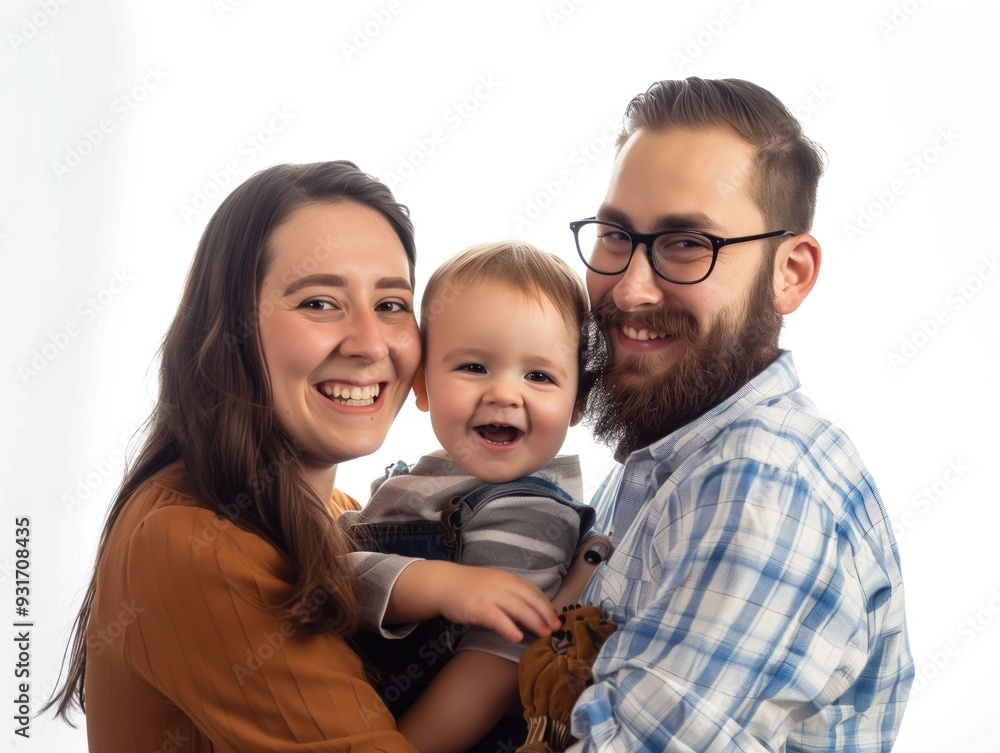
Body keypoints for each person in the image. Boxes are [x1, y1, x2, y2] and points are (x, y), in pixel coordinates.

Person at [44, 161, 562, 752]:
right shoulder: (194, 543)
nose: (369, 343)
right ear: (233, 329)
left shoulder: (342, 514)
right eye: (319, 302)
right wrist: (562, 606)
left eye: (391, 304)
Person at [561, 78, 914, 751]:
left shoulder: (758, 486)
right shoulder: (665, 461)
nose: (630, 290)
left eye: (687, 243)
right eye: (615, 235)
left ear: (791, 272)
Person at [343, 241, 600, 753]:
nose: (504, 393)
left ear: (578, 404)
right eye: (474, 367)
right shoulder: (425, 481)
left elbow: (493, 670)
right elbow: (328, 577)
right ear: (422, 384)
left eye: (538, 376)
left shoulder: (529, 513)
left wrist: (402, 748)